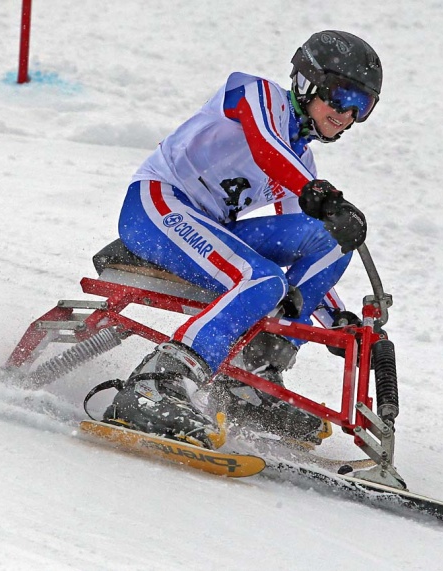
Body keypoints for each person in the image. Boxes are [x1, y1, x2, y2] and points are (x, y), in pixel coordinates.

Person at [101, 30, 383, 449]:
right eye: (340, 96)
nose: (346, 113)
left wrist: (335, 320)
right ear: (307, 83)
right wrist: (322, 196)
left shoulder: (301, 162)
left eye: (361, 106)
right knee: (262, 280)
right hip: (156, 206)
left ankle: (251, 376)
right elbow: (267, 145)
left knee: (328, 237)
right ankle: (155, 385)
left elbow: (306, 242)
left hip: (210, 228)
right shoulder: (255, 93)